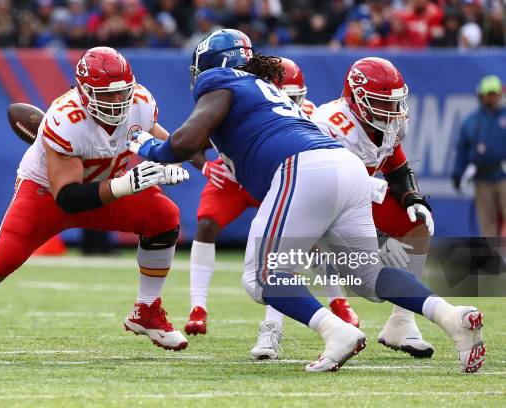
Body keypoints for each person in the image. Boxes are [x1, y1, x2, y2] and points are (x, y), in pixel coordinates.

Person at [129, 28, 485, 373]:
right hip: (342, 167)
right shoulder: (263, 89)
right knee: (367, 275)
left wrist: (148, 147)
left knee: (260, 276)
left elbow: (188, 137)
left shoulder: (220, 81)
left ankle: (336, 332)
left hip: (303, 168)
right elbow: (207, 141)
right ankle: (450, 317)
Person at [0, 47, 190, 356]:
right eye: (106, 95)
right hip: (47, 193)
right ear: (84, 91)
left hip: (105, 186)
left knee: (164, 215)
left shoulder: (139, 102)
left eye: (121, 93)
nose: (116, 102)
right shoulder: (66, 117)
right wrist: (126, 183)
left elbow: (160, 141)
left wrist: (171, 160)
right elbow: (68, 198)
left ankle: (147, 310)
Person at [183, 57, 360, 360]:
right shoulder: (236, 96)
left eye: (295, 96)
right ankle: (197, 306)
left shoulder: (308, 115)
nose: (289, 102)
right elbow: (191, 138)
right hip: (234, 175)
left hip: (280, 174)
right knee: (209, 225)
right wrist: (206, 167)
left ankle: (320, 309)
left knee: (293, 248)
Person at [309, 57, 436, 358]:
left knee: (417, 222)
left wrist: (412, 198)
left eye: (394, 103)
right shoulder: (329, 124)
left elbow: (396, 164)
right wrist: (376, 236)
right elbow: (329, 190)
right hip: (318, 200)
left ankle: (402, 323)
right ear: (357, 98)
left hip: (356, 192)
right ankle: (271, 331)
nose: (392, 112)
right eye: (382, 103)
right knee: (279, 266)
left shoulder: (389, 121)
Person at [453, 75, 506, 237]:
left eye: (494, 93)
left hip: (504, 175)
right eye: (488, 93)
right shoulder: (472, 121)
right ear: (481, 95)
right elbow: (462, 150)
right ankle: (493, 259)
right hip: (482, 177)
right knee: (487, 224)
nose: (492, 97)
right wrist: (458, 173)